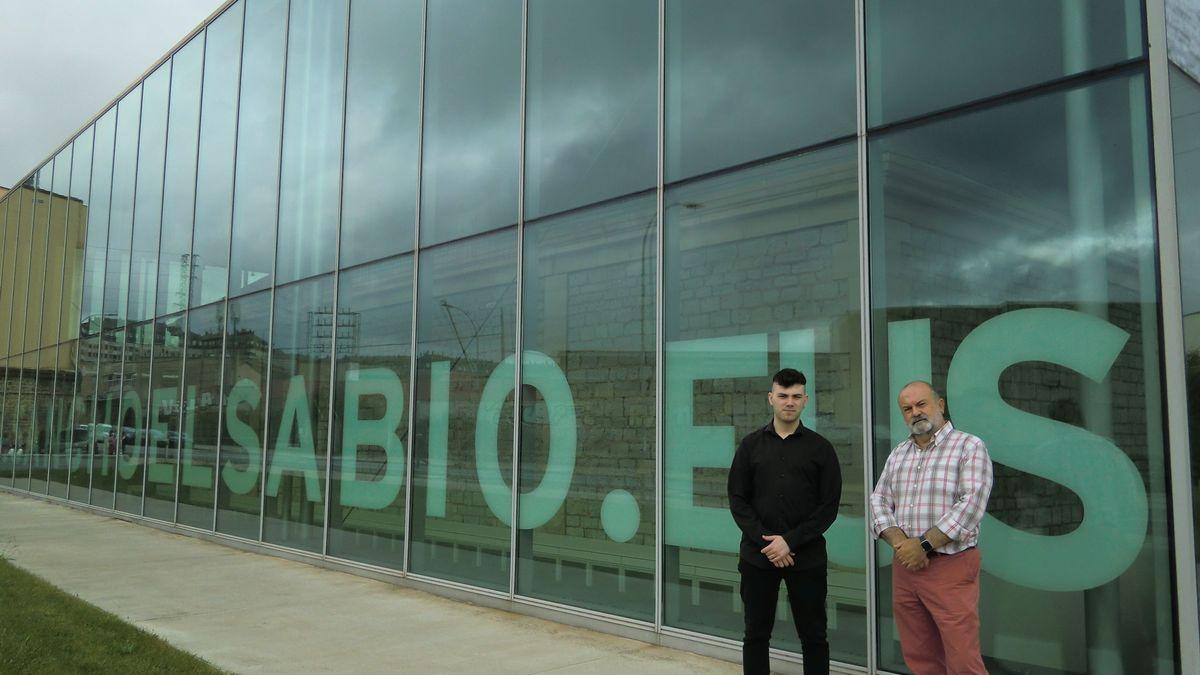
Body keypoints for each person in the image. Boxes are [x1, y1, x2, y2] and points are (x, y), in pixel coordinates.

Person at [870, 380, 994, 675]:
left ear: (940, 405)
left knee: (962, 658)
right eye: (907, 408)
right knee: (919, 654)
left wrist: (922, 545)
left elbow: (971, 505)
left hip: (949, 566)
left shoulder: (969, 446)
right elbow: (878, 501)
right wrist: (902, 544)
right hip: (906, 565)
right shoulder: (899, 453)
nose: (915, 412)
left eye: (921, 404)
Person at [728, 368, 842, 675]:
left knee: (814, 637)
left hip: (806, 557)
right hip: (758, 557)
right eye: (782, 396)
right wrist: (768, 542)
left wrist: (789, 541)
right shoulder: (750, 446)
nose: (788, 402)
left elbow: (828, 507)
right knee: (755, 635)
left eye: (795, 396)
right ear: (771, 399)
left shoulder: (821, 449)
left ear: (806, 400)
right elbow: (738, 500)